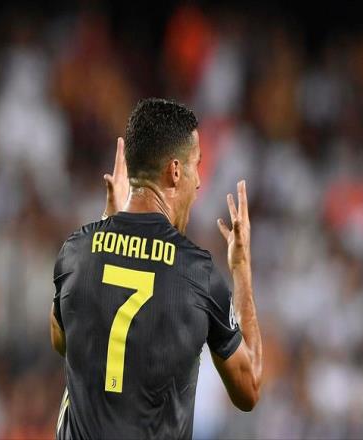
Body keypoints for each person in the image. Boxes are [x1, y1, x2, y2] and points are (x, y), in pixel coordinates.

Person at [51, 98, 262, 439]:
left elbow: (60, 339)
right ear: (175, 171)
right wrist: (241, 269)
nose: (198, 182)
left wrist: (107, 220)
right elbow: (248, 388)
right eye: (196, 165)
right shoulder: (197, 274)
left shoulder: (77, 251)